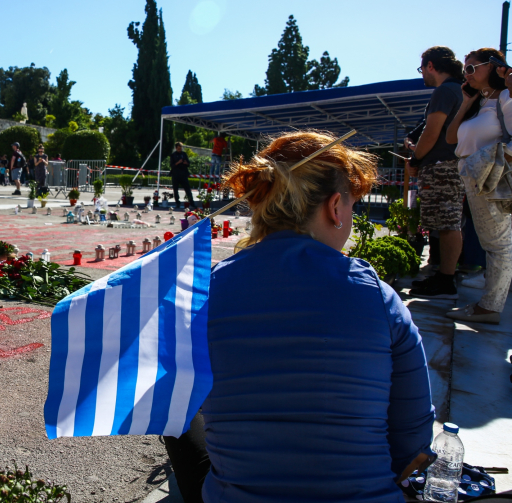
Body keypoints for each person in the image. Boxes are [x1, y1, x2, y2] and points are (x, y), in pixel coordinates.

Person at [164, 132, 435, 503]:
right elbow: (413, 446)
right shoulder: (378, 298)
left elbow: (179, 400)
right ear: (336, 207)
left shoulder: (205, 293)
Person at [445, 48, 512, 325]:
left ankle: (490, 307)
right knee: (493, 243)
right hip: (475, 177)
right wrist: (464, 103)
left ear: (495, 67)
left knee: (498, 245)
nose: (467, 73)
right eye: (465, 69)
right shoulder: (482, 102)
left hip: (491, 178)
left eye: (472, 68)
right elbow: (451, 138)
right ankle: (490, 304)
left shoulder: (506, 99)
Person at [404, 47, 465, 300]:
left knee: (448, 223)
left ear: (431, 66)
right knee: (447, 221)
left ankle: (445, 279)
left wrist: (415, 158)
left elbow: (431, 132)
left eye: (422, 69)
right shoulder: (460, 91)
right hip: (452, 164)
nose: (423, 75)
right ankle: (444, 275)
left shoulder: (444, 91)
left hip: (441, 165)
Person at [169, 142, 195, 209]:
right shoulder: (173, 155)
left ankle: (192, 202)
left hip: (183, 174)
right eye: (178, 148)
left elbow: (188, 164)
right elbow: (172, 165)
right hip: (176, 174)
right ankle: (177, 202)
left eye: (180, 148)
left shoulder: (184, 154)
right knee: (175, 190)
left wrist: (186, 163)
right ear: (176, 148)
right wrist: (178, 162)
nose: (180, 149)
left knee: (188, 189)